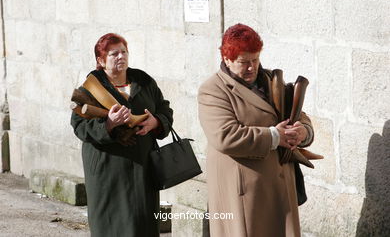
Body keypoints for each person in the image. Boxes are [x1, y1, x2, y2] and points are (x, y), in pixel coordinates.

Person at [197, 24, 314, 237]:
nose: (252, 68)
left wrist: (303, 132)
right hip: (244, 192)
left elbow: (300, 117)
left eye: (255, 59)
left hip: (280, 187)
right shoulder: (213, 89)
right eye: (244, 62)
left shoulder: (271, 80)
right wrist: (275, 136)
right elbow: (226, 136)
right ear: (227, 59)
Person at [70, 33, 173, 237]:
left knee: (143, 223)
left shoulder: (144, 82)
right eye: (113, 53)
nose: (120, 57)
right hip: (107, 171)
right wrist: (108, 124)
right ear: (101, 60)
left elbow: (164, 109)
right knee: (111, 225)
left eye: (124, 52)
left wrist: (156, 122)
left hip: (143, 168)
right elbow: (79, 126)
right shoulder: (91, 89)